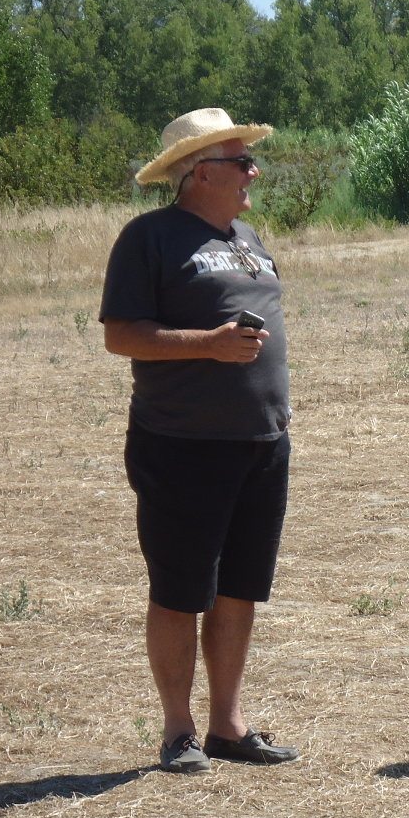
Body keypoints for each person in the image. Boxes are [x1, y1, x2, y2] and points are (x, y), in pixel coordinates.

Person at [100, 108, 299, 773]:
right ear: (200, 173)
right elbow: (121, 334)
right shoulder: (149, 238)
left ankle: (227, 726)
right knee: (180, 589)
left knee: (240, 587)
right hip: (182, 443)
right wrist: (209, 345)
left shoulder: (248, 236)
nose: (253, 172)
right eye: (242, 162)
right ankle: (178, 730)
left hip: (261, 440)